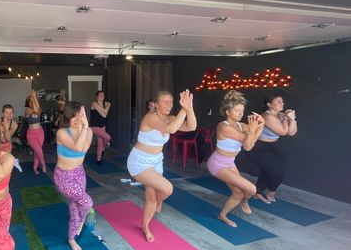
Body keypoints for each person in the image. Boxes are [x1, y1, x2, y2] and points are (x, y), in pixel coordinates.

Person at [127, 90, 196, 242]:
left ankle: (145, 226)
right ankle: (158, 202)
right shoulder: (150, 118)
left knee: (151, 197)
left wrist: (189, 108)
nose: (169, 105)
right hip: (139, 162)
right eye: (165, 102)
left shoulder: (170, 118)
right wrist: (183, 109)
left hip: (157, 161)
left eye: (171, 102)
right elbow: (170, 130)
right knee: (167, 189)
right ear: (156, 104)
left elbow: (191, 126)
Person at [207, 90, 265, 227]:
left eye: (242, 111)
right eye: (237, 110)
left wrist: (261, 125)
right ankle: (245, 200)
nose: (241, 113)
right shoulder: (223, 127)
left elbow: (253, 140)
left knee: (238, 193)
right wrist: (252, 130)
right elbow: (248, 146)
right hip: (217, 164)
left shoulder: (242, 126)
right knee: (251, 189)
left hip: (229, 162)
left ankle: (223, 215)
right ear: (227, 112)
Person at [54, 102, 94, 250]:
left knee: (75, 206)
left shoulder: (89, 132)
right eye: (73, 116)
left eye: (80, 115)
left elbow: (83, 149)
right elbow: (78, 148)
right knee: (87, 203)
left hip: (79, 173)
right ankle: (82, 219)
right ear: (68, 118)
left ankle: (71, 238)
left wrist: (85, 128)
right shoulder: (62, 133)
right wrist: (83, 127)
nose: (77, 119)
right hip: (63, 177)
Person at [246, 95, 297, 203]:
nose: (282, 103)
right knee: (277, 172)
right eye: (278, 101)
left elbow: (292, 132)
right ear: (269, 104)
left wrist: (292, 119)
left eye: (282, 101)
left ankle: (257, 192)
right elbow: (283, 132)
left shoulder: (281, 114)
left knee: (268, 170)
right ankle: (271, 193)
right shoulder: (267, 116)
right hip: (257, 147)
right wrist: (288, 119)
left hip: (272, 146)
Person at [25, 90, 46, 174]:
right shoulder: (27, 111)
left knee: (38, 151)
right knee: (39, 151)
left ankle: (35, 168)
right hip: (31, 135)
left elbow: (37, 110)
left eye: (32, 100)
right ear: (28, 102)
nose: (32, 101)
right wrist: (33, 97)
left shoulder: (38, 109)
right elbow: (35, 110)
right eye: (30, 100)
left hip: (40, 133)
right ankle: (43, 164)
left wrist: (34, 97)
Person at [90, 90, 111, 165]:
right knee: (108, 137)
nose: (102, 97)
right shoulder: (94, 104)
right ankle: (103, 149)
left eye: (103, 95)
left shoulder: (105, 104)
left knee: (100, 143)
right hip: (95, 127)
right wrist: (109, 106)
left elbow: (104, 113)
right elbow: (104, 115)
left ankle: (98, 159)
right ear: (97, 96)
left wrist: (106, 108)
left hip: (103, 126)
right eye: (100, 95)